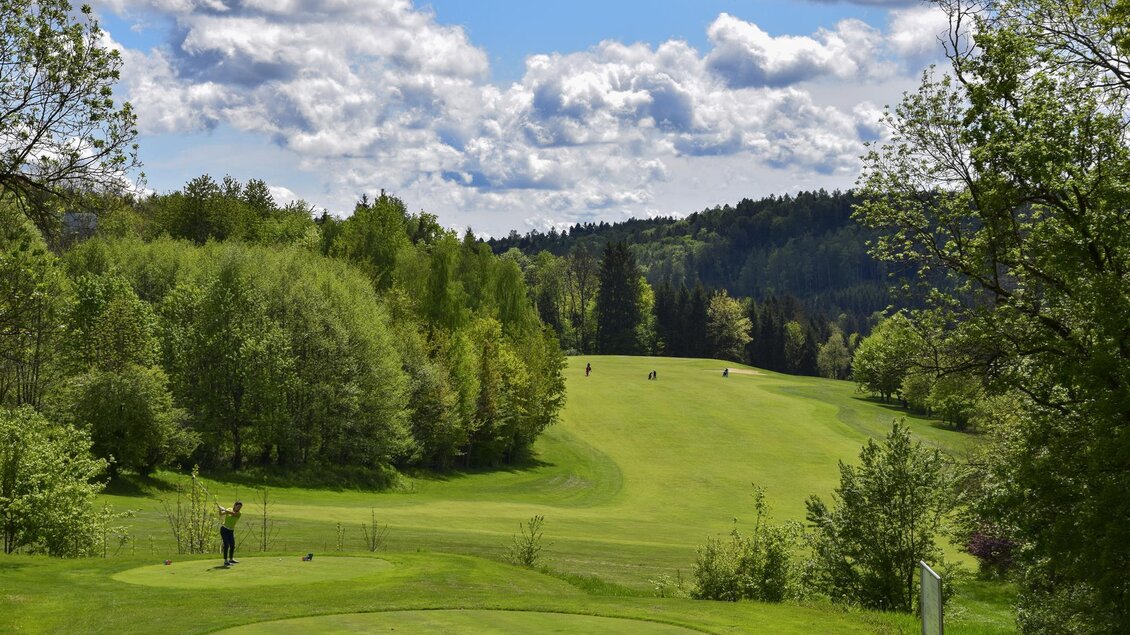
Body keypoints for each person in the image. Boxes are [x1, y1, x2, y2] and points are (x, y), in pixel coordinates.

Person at [218, 501, 243, 566]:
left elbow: (233, 514)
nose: (239, 508)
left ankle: (231, 559)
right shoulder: (229, 509)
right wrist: (220, 509)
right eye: (238, 506)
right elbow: (221, 514)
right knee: (226, 545)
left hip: (231, 531)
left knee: (232, 545)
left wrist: (224, 509)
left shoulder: (239, 513)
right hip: (224, 529)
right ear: (234, 505)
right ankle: (226, 560)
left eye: (240, 507)